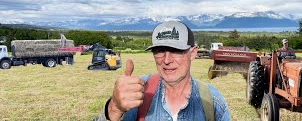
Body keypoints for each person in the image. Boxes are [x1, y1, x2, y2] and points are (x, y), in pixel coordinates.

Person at [96, 20, 230, 121]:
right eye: (159, 51)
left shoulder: (211, 101)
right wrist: (114, 108)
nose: (166, 60)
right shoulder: (137, 92)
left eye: (176, 50)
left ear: (193, 53)